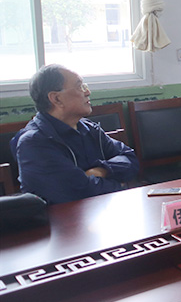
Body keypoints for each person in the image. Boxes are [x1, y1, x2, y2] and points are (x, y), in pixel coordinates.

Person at [11, 65, 139, 204]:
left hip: (99, 212)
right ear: (56, 99)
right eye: (80, 87)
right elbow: (79, 192)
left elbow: (130, 159)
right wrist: (121, 185)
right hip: (60, 222)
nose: (88, 92)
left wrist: (103, 170)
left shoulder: (89, 128)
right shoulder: (33, 142)